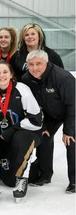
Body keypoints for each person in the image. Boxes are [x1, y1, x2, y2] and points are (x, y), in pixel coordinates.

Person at [21, 50, 75, 193]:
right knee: (43, 137)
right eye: (31, 64)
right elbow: (32, 106)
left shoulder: (63, 78)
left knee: (71, 141)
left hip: (71, 111)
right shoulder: (27, 79)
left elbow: (73, 104)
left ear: (47, 63)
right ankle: (45, 174)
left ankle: (74, 180)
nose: (35, 68)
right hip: (50, 113)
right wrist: (42, 125)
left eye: (38, 63)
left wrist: (68, 131)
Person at [0, 61, 43, 200]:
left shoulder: (21, 89)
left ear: (11, 74)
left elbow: (37, 120)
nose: (2, 76)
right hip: (4, 138)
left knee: (21, 138)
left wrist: (13, 129)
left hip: (27, 134)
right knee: (8, 181)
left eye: (5, 72)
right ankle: (31, 168)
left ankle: (22, 179)